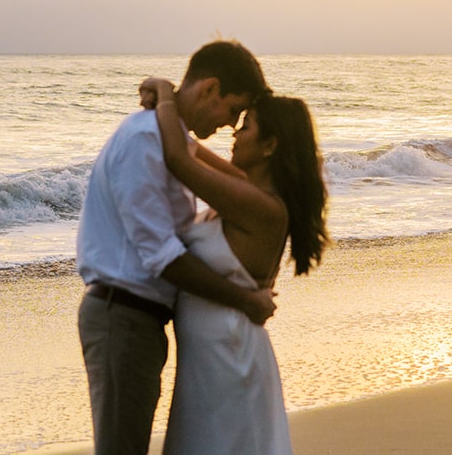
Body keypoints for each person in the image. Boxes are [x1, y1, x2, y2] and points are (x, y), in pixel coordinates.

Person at [76, 40, 277, 455]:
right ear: (209, 89)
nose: (230, 125)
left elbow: (226, 182)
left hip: (139, 320)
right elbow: (162, 255)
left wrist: (165, 95)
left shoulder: (171, 141)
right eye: (232, 110)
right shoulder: (145, 141)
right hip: (122, 316)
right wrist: (245, 300)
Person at [143, 77, 330, 455]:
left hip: (228, 357)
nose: (234, 134)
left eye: (245, 127)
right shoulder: (245, 189)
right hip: (215, 354)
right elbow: (190, 148)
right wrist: (168, 110)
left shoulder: (262, 207)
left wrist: (165, 94)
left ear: (270, 146)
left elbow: (178, 159)